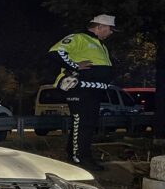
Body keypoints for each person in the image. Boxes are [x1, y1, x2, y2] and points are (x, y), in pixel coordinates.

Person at [49, 14, 116, 170]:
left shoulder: (99, 44)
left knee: (88, 123)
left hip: (93, 90)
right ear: (99, 26)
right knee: (82, 123)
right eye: (110, 29)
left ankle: (77, 154)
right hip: (80, 88)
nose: (111, 32)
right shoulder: (79, 38)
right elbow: (55, 52)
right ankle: (80, 158)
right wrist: (75, 65)